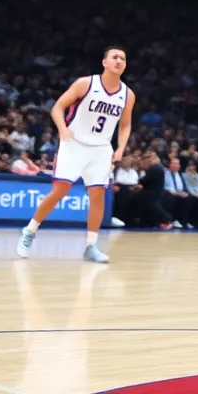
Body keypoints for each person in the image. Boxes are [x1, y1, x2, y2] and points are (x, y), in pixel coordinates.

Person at [17, 47, 135, 263]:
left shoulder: (128, 94)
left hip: (101, 149)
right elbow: (57, 108)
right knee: (60, 190)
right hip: (74, 144)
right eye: (114, 57)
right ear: (104, 62)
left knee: (98, 195)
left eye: (123, 58)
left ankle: (91, 246)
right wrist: (62, 128)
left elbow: (126, 125)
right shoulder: (86, 83)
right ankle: (30, 230)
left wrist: (120, 148)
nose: (119, 60)